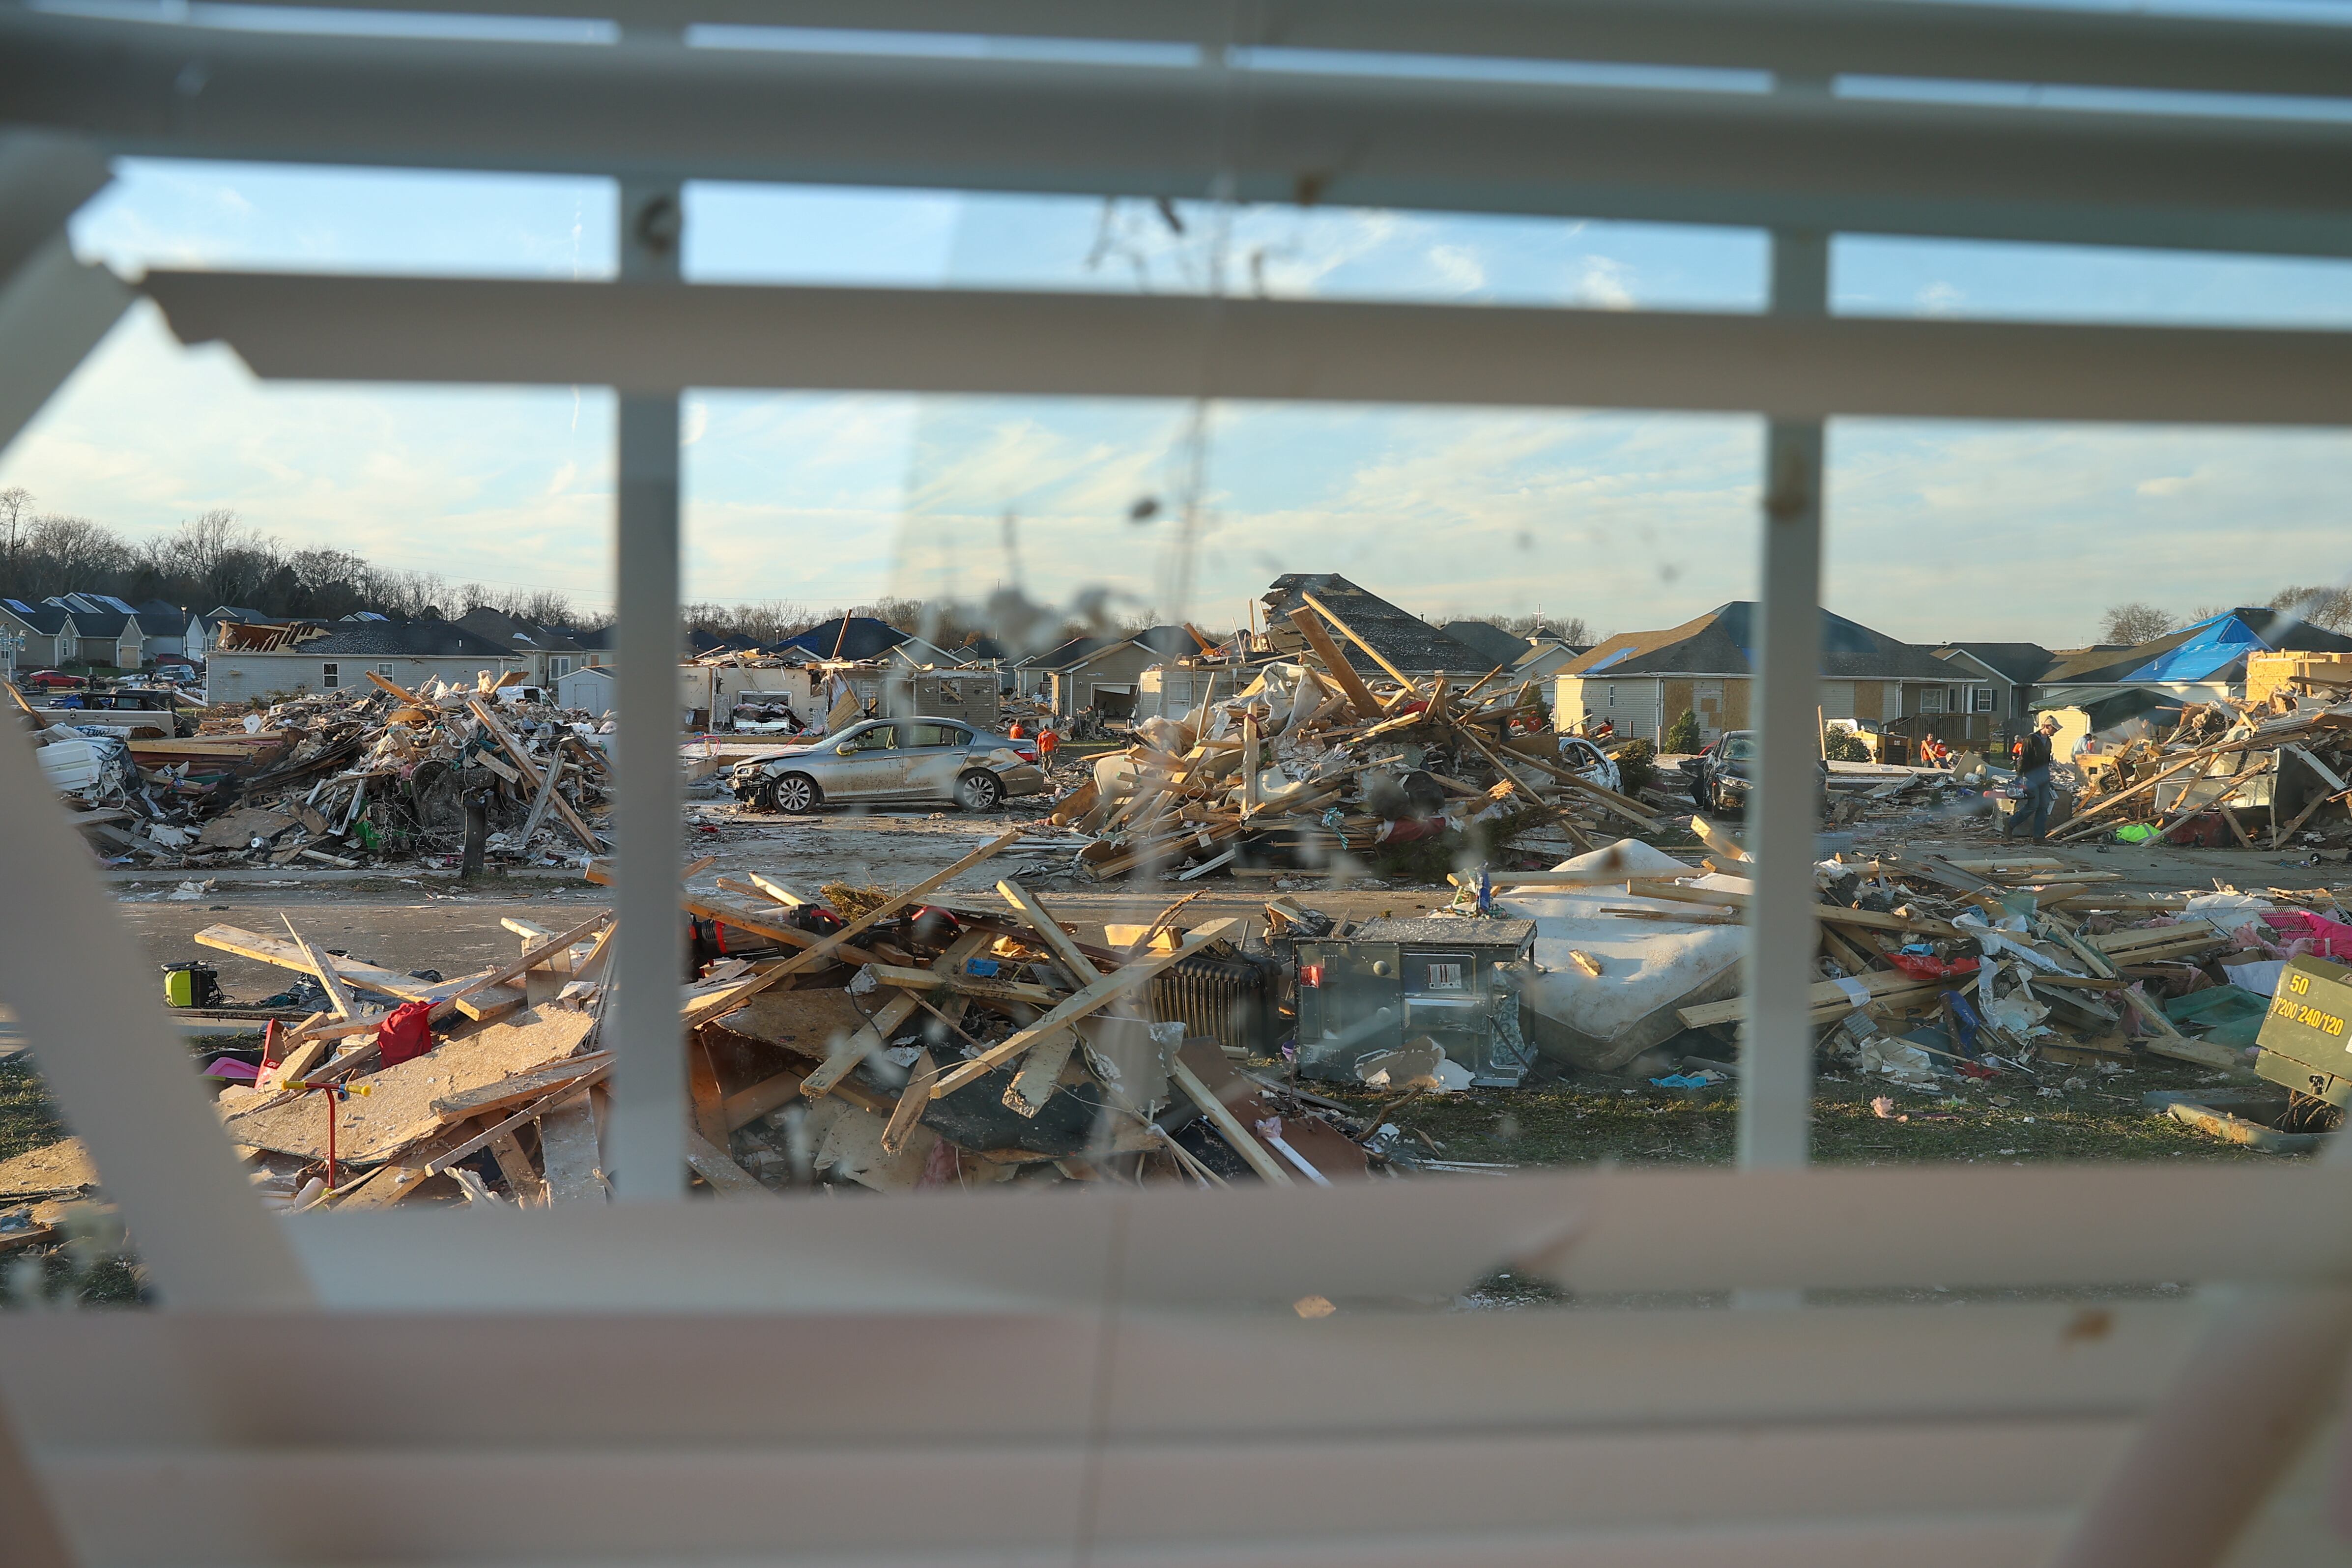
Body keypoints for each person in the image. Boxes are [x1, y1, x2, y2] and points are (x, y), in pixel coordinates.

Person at [2006, 716, 2060, 844]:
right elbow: (2023, 758)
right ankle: (2010, 824)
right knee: (2033, 806)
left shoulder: (2049, 742)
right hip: (2030, 777)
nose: (2055, 731)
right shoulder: (2031, 739)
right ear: (2046, 726)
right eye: (2054, 728)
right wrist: (2020, 776)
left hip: (2044, 777)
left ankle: (2038, 837)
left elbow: (2046, 761)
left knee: (2044, 806)